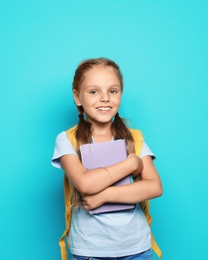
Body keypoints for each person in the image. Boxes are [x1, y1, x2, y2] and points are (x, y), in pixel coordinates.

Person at [51, 58, 163, 260]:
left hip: (136, 248)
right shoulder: (68, 140)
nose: (105, 98)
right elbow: (85, 184)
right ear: (78, 97)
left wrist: (104, 196)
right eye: (94, 92)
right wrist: (131, 164)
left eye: (113, 91)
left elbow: (154, 187)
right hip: (90, 251)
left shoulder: (134, 138)